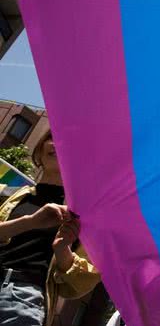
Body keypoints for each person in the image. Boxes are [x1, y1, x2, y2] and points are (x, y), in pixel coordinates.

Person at [0, 132, 100, 326]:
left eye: (69, 144)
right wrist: (30, 222)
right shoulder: (12, 193)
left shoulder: (85, 216)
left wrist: (63, 249)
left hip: (21, 297)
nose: (56, 145)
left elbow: (82, 283)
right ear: (40, 145)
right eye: (52, 137)